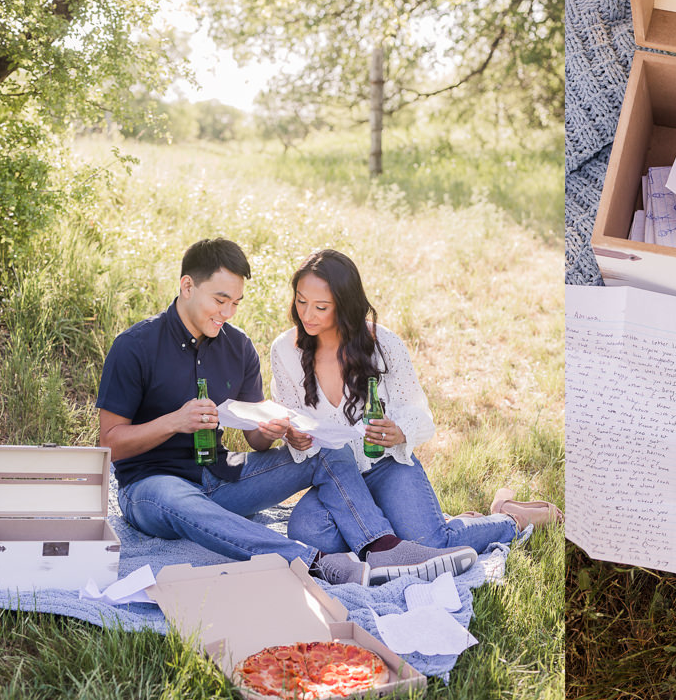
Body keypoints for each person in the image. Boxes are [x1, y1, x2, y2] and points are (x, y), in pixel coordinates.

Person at [96, 238, 476, 587]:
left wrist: (272, 428)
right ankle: (312, 562)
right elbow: (110, 443)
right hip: (152, 488)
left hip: (222, 478)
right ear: (187, 286)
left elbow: (255, 440)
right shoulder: (135, 347)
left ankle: (381, 548)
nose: (227, 313)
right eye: (219, 300)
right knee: (180, 499)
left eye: (236, 304)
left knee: (330, 446)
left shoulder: (238, 347)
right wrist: (174, 422)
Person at [270, 249, 562, 561]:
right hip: (337, 481)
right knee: (308, 534)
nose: (307, 314)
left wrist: (399, 431)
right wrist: (294, 437)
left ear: (344, 306)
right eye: (301, 301)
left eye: (321, 307)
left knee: (433, 545)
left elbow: (419, 413)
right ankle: (405, 525)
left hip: (386, 467)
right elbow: (291, 419)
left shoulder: (383, 344)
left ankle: (509, 518)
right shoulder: (284, 351)